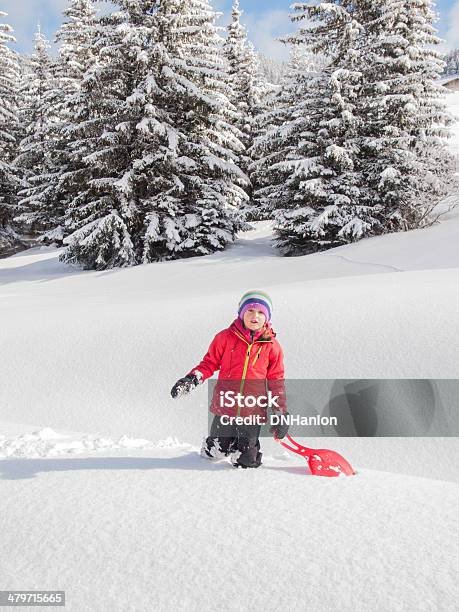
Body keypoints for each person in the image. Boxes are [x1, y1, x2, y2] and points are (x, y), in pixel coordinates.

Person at [170, 290, 288, 469]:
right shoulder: (225, 338)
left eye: (261, 312)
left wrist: (280, 412)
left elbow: (276, 382)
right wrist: (191, 379)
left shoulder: (271, 347)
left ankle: (242, 452)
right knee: (216, 451)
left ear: (267, 317)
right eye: (250, 311)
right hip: (226, 406)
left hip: (252, 410)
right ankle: (219, 445)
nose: (255, 316)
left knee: (247, 460)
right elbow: (208, 364)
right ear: (241, 313)